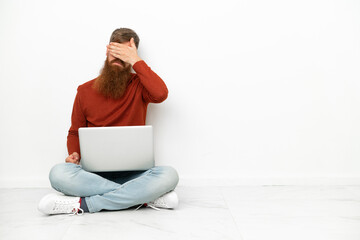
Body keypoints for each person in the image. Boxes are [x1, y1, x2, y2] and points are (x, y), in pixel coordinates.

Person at [38, 28, 179, 215]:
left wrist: (136, 60)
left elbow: (161, 94)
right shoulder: (85, 91)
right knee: (58, 174)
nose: (119, 59)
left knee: (169, 175)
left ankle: (84, 205)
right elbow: (74, 132)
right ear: (107, 51)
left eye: (125, 55)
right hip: (93, 176)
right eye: (115, 53)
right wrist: (74, 154)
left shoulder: (139, 86)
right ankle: (144, 198)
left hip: (135, 174)